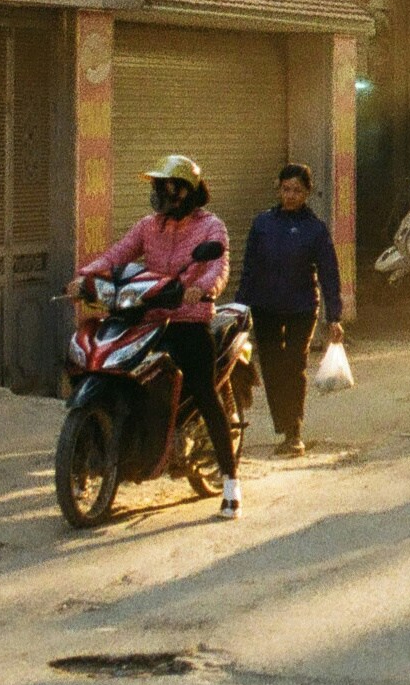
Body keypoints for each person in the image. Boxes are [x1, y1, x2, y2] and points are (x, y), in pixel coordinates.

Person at [72, 154, 241, 520]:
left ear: (189, 191)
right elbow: (117, 255)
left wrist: (202, 288)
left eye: (171, 187)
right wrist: (85, 277)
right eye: (159, 186)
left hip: (188, 321)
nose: (164, 193)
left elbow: (219, 265)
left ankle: (231, 482)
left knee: (205, 392)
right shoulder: (149, 226)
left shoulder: (211, 227)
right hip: (146, 317)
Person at [240, 162, 344, 457]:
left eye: (297, 190)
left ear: (307, 193)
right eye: (286, 189)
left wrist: (333, 316)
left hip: (301, 307)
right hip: (265, 306)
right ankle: (283, 426)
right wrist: (240, 306)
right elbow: (250, 268)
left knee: (294, 366)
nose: (291, 195)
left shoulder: (315, 229)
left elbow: (329, 273)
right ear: (278, 189)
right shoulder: (262, 224)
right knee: (271, 367)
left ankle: (294, 431)